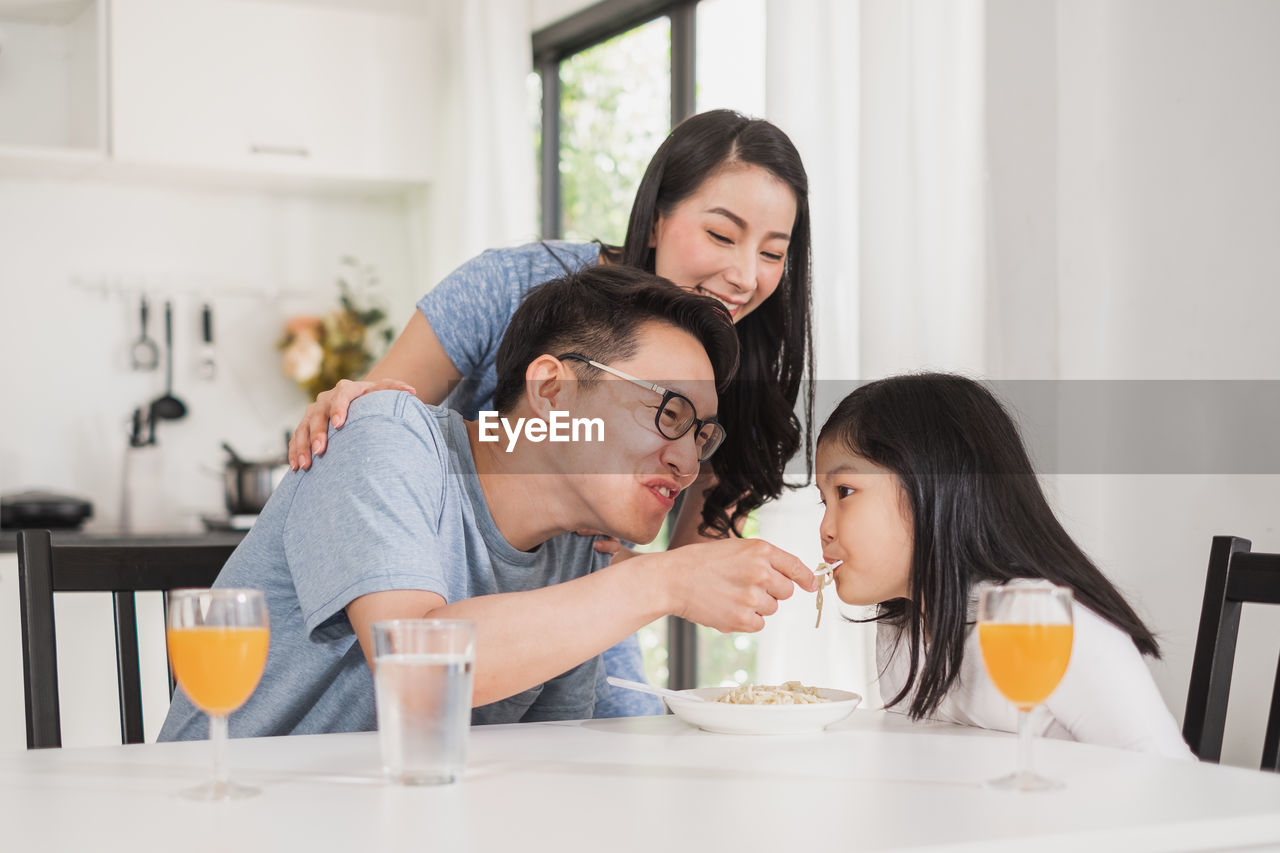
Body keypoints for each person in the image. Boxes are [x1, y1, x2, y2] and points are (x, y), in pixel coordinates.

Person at [286, 109, 814, 716]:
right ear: (658, 218)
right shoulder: (515, 287)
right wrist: (357, 410)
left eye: (774, 253)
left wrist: (666, 574)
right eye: (722, 236)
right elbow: (383, 420)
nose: (745, 276)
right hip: (440, 573)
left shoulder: (732, 366)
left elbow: (690, 560)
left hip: (570, 574)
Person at [160, 265, 816, 740]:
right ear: (553, 389)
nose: (688, 458)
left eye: (702, 433)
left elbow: (547, 767)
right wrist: (659, 579)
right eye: (669, 413)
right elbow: (413, 664)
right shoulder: (384, 434)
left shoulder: (579, 551)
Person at [814, 373, 1193, 758]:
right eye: (822, 501)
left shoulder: (1047, 621)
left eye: (845, 491)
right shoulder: (900, 626)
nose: (824, 528)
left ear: (936, 484)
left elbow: (1169, 777)